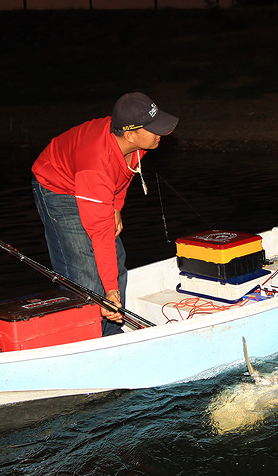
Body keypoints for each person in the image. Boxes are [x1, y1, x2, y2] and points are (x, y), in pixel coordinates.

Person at [31, 92, 178, 335]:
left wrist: (116, 206)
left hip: (91, 181)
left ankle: (110, 332)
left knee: (116, 261)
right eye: (154, 128)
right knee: (84, 277)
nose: (161, 134)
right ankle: (82, 336)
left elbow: (125, 173)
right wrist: (110, 289)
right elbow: (100, 234)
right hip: (57, 186)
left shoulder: (136, 144)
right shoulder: (96, 167)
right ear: (130, 134)